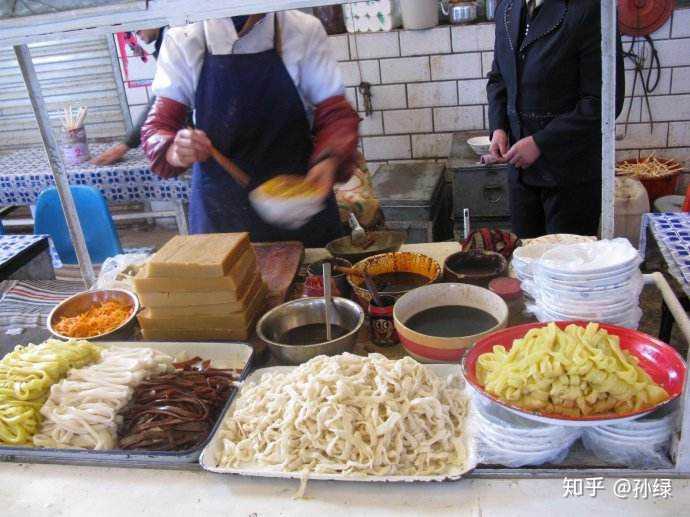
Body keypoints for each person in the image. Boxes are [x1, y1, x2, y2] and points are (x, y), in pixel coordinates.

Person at [140, 11, 359, 247]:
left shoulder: (302, 30)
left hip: (300, 201)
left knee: (315, 281)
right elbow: (158, 128)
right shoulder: (183, 38)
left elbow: (336, 113)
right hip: (220, 214)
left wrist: (328, 160)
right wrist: (176, 149)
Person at [486, 0, 625, 238]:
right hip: (521, 177)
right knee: (526, 263)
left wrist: (541, 143)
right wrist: (499, 127)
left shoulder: (589, 10)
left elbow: (602, 101)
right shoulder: (507, 8)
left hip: (571, 177)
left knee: (568, 268)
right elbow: (499, 77)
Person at [92, 28, 166, 166]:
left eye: (138, 30)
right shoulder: (164, 41)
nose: (137, 36)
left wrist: (126, 144)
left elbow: (163, 97)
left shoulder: (172, 40)